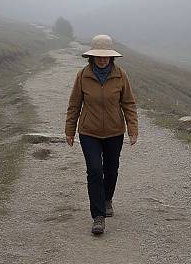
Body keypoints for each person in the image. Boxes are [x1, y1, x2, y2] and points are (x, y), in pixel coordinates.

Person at [65, 34, 138, 235]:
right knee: (95, 171)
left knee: (111, 170)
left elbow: (129, 104)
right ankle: (98, 216)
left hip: (115, 132)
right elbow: (74, 105)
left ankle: (107, 199)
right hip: (89, 132)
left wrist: (132, 129)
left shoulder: (121, 75)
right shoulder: (83, 76)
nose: (102, 59)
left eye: (106, 56)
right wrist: (70, 130)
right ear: (92, 56)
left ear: (111, 57)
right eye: (99, 56)